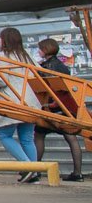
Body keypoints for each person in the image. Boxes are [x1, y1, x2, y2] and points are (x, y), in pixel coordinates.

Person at [0, 27, 41, 182]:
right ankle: (35, 172)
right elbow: (38, 74)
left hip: (13, 99)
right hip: (31, 101)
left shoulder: (2, 56)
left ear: (3, 40)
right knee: (27, 138)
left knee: (4, 135)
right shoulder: (27, 55)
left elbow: (2, 80)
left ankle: (27, 166)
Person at [33, 38, 83, 182]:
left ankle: (35, 171)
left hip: (51, 107)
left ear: (45, 50)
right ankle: (78, 172)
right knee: (71, 137)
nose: (38, 51)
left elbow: (43, 88)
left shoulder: (46, 67)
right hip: (66, 106)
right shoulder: (62, 66)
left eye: (40, 48)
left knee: (39, 135)